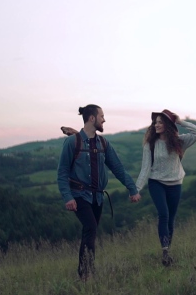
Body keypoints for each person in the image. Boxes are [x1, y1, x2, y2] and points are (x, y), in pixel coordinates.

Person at [57, 104, 141, 281]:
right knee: (91, 227)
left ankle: (83, 273)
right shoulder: (72, 142)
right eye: (102, 116)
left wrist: (132, 188)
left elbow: (117, 168)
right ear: (92, 118)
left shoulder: (103, 143)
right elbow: (62, 172)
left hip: (98, 197)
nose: (104, 119)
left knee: (90, 232)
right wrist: (68, 197)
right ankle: (87, 273)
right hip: (79, 195)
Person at [135, 109, 196, 266]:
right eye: (156, 122)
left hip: (175, 184)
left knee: (171, 219)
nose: (157, 125)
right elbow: (145, 168)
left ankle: (167, 252)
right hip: (156, 182)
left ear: (168, 124)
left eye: (160, 122)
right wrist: (136, 189)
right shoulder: (150, 145)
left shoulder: (179, 141)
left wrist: (179, 121)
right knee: (164, 214)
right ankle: (165, 250)